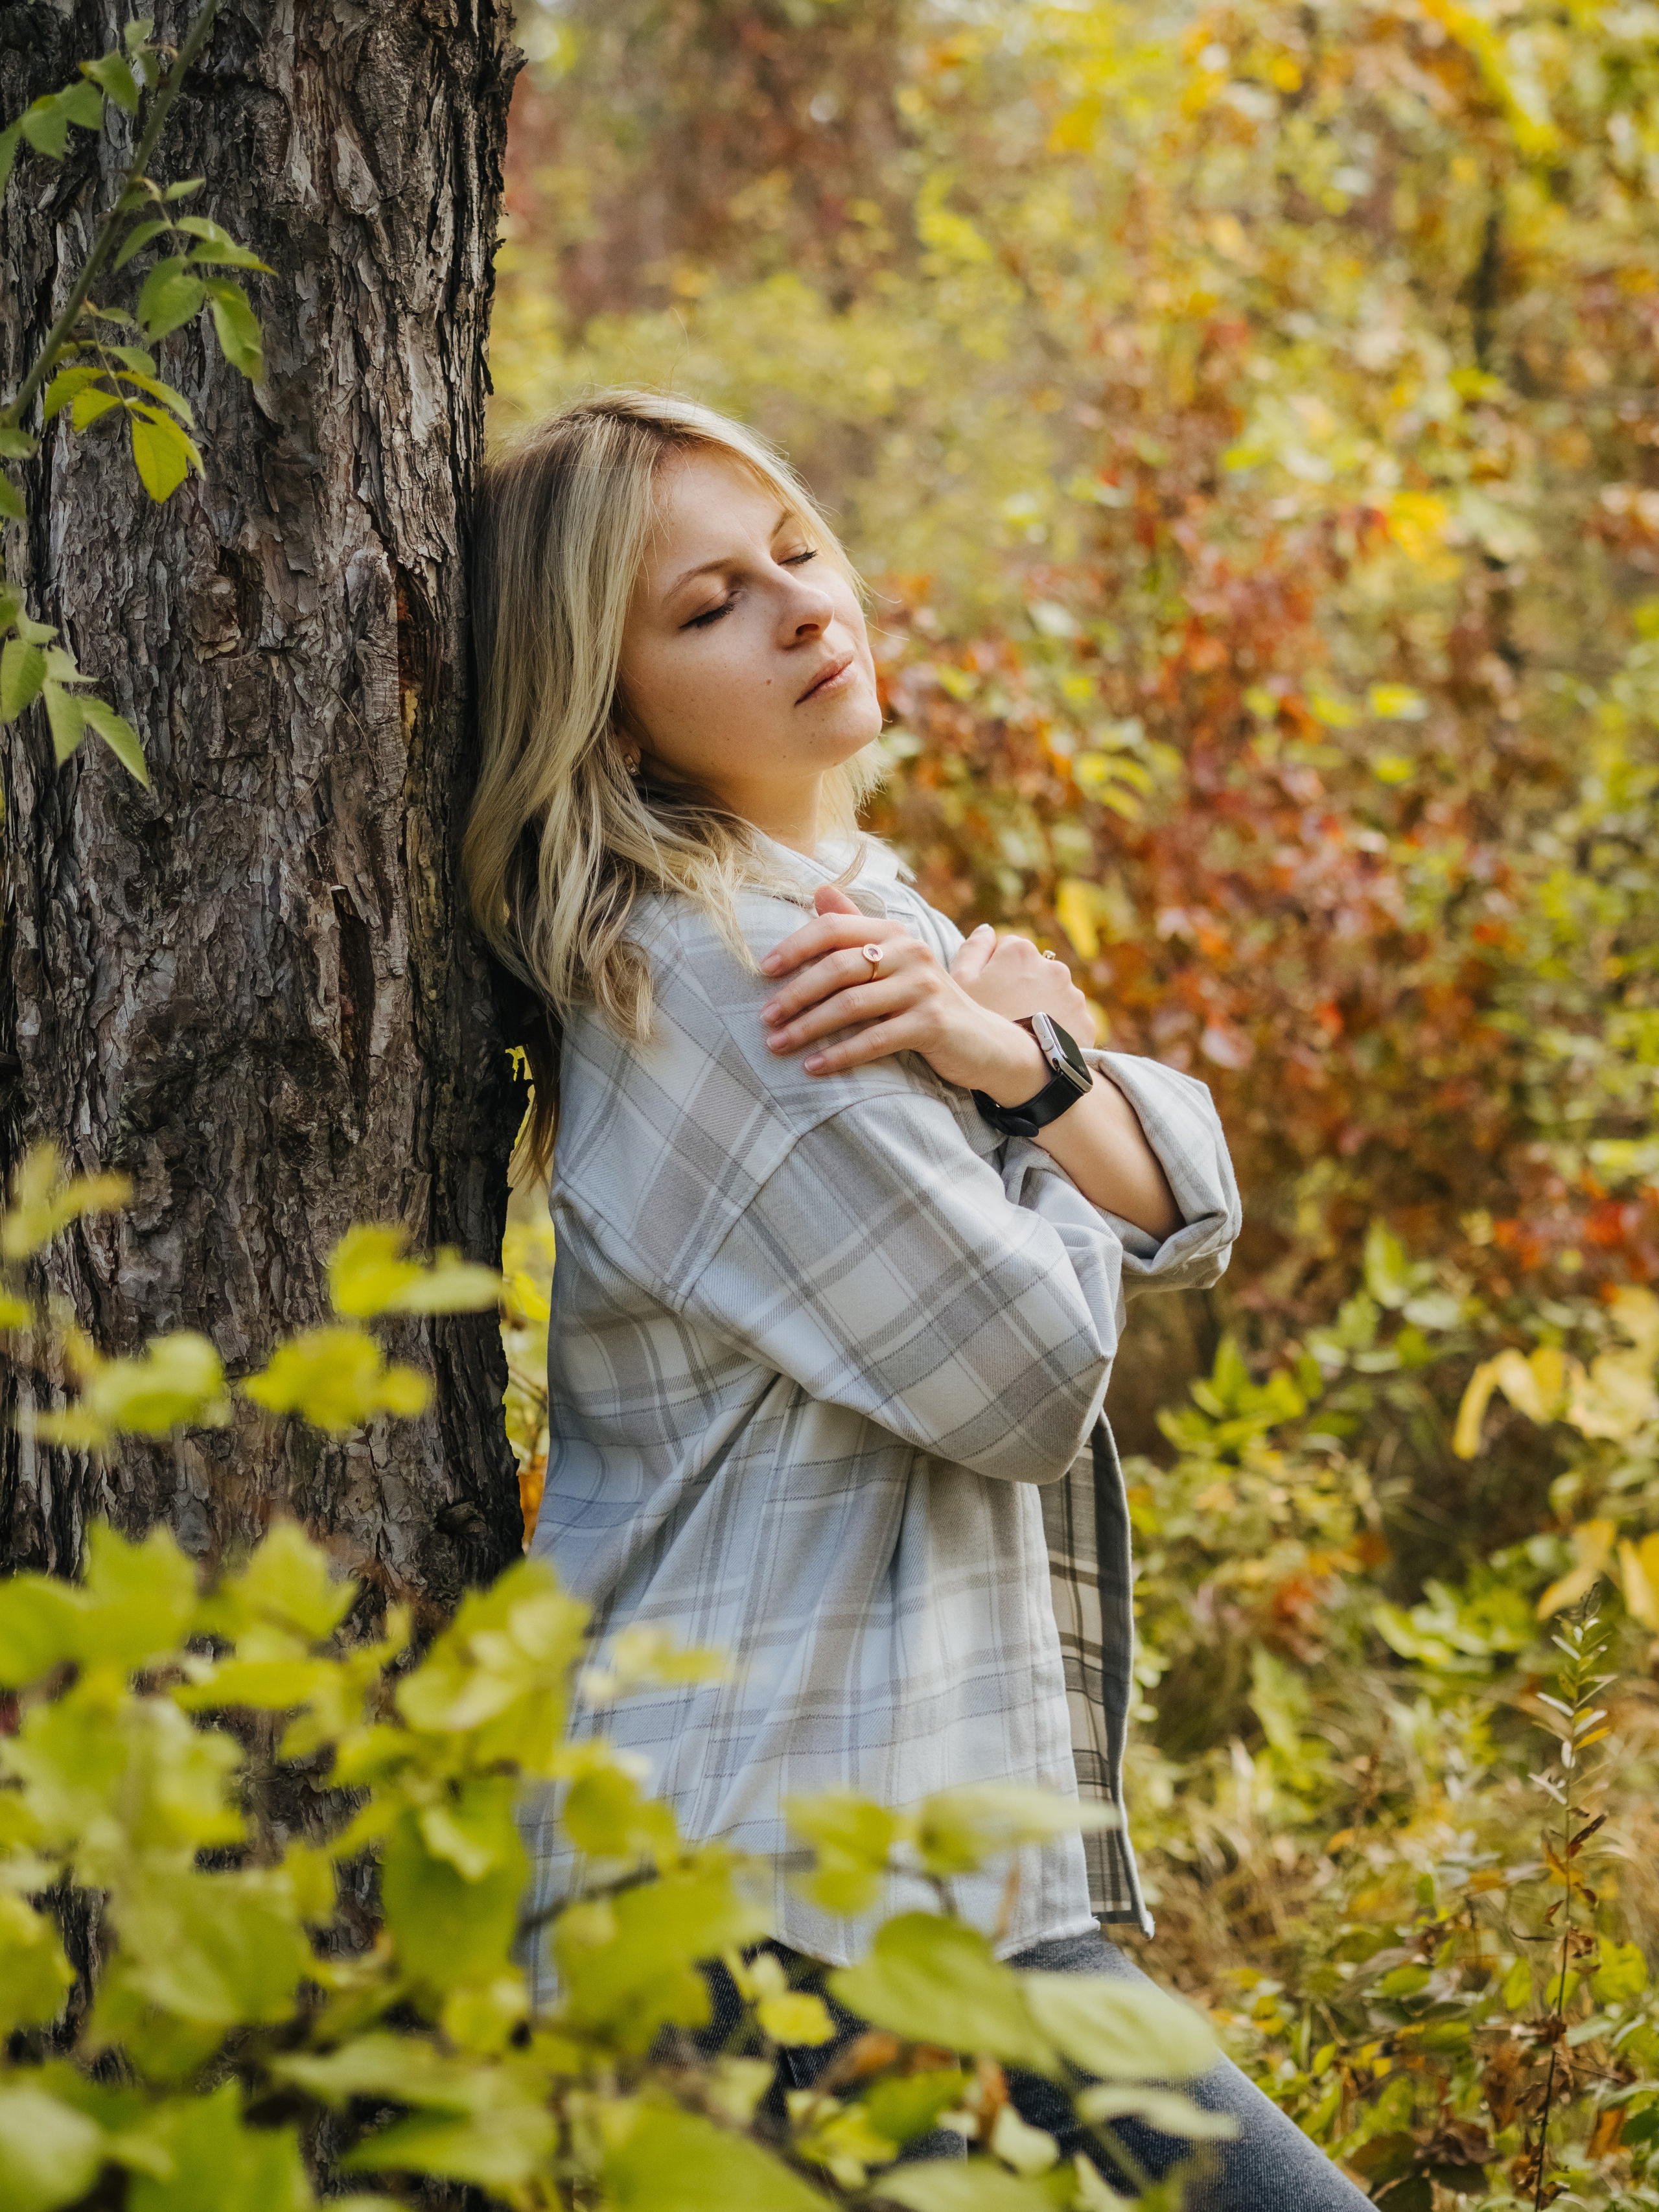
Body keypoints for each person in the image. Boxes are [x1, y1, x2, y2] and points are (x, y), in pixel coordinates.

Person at [463, 390, 1367, 2207]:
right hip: (780, 1906)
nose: (805, 609)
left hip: (878, 1887)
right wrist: (1025, 1084)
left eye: (797, 552)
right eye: (706, 606)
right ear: (605, 702)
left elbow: (1188, 1189)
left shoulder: (853, 913)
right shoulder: (732, 983)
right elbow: (1035, 1372)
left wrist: (1008, 1054)